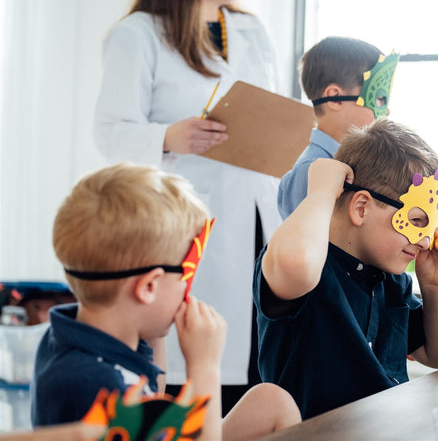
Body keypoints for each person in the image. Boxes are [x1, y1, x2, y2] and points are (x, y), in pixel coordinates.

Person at [93, 0, 281, 413]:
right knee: (192, 366)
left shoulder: (251, 31)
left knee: (260, 361)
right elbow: (110, 131)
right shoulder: (138, 35)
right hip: (187, 227)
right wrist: (168, 137)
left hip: (258, 216)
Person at [30, 163, 300, 440]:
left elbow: (153, 396)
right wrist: (204, 367)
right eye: (187, 275)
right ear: (148, 287)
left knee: (271, 401)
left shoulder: (75, 333)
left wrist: (157, 330)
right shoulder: (98, 385)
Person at [254, 118, 438, 419]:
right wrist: (321, 191)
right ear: (361, 207)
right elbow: (296, 264)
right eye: (416, 221)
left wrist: (436, 287)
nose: (426, 238)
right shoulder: (306, 265)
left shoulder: (392, 280)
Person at [277, 36, 394, 219]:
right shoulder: (310, 171)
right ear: (335, 98)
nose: (386, 110)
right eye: (379, 99)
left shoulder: (359, 164)